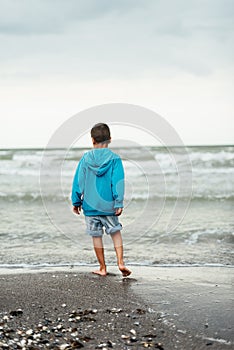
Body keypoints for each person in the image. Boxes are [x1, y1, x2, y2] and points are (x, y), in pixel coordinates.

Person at [71, 123, 131, 277]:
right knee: (115, 232)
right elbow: (118, 182)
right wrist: (118, 202)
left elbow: (79, 181)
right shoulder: (114, 159)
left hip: (90, 206)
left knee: (96, 236)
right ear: (110, 139)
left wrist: (76, 201)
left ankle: (102, 268)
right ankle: (120, 262)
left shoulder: (86, 158)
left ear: (92, 140)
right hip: (108, 206)